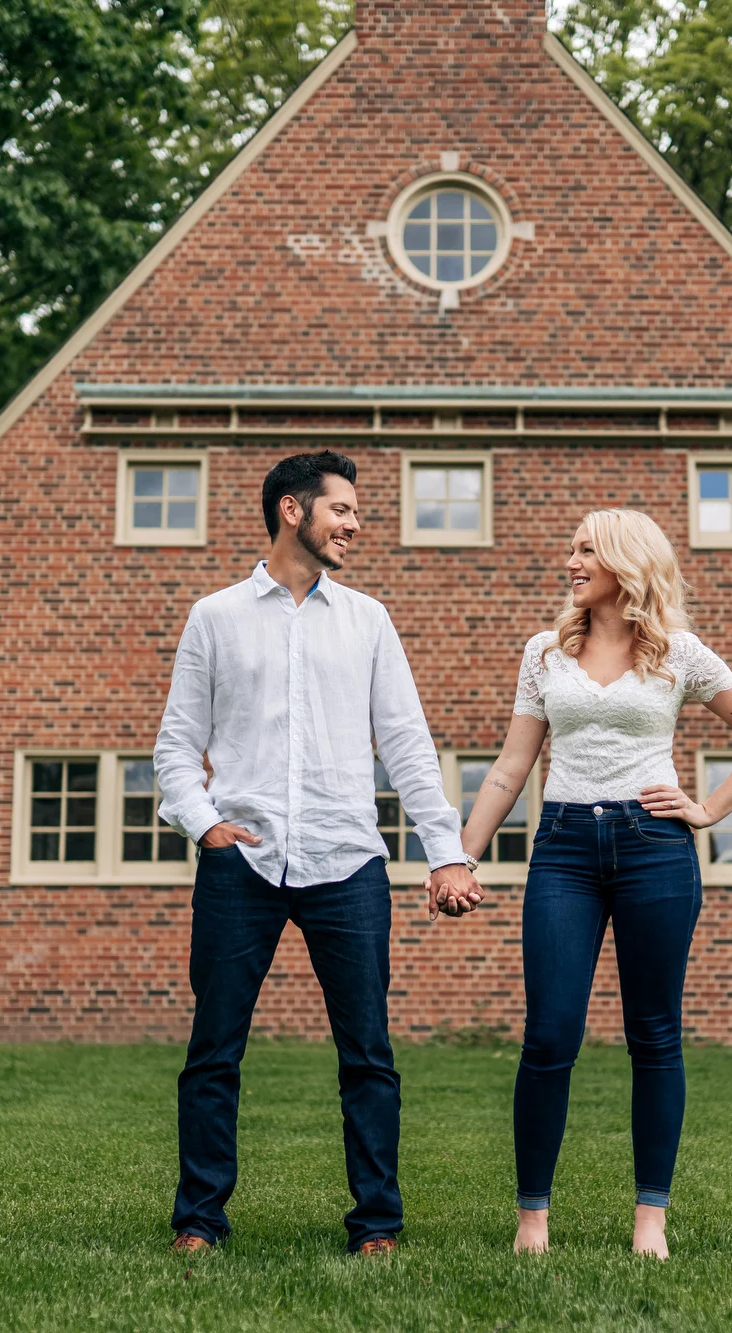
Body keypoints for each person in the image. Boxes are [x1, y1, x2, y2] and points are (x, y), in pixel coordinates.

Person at [154, 450, 484, 1258]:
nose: (356, 525)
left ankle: (377, 1224)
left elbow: (406, 745)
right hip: (243, 864)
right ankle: (200, 1219)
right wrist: (206, 826)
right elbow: (174, 747)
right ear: (293, 511)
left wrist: (447, 855)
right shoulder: (216, 617)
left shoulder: (367, 620)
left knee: (368, 1053)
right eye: (343, 510)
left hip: (349, 863)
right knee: (213, 1052)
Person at [437, 509, 732, 1260]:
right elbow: (510, 767)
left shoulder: (678, 652)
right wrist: (458, 856)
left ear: (626, 561)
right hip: (563, 848)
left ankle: (650, 1216)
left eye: (585, 549)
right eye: (570, 547)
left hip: (654, 848)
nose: (570, 560)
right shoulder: (545, 651)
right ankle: (533, 1216)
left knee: (655, 1036)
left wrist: (706, 810)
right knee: (549, 1035)